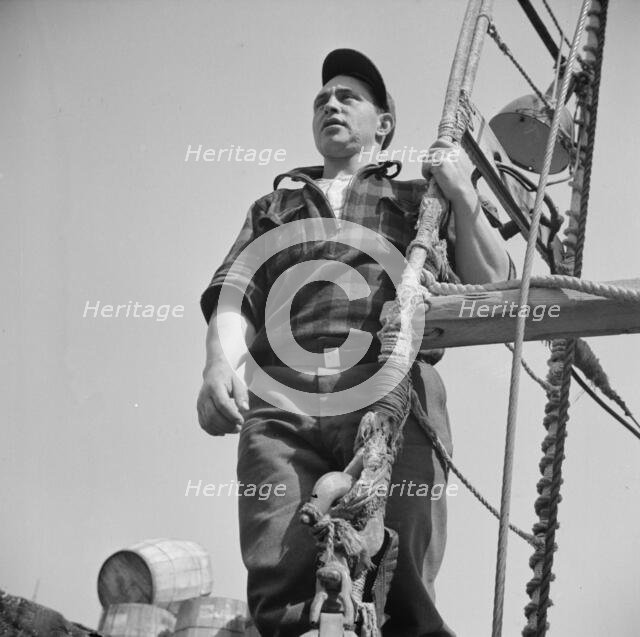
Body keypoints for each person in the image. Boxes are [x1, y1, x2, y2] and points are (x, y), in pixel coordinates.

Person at [197, 49, 512, 637]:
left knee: (403, 585)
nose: (331, 105)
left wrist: (463, 197)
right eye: (322, 100)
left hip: (391, 388)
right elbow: (235, 297)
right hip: (283, 403)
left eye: (349, 98)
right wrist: (217, 362)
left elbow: (494, 288)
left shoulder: (423, 199)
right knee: (281, 583)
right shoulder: (275, 207)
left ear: (383, 124)